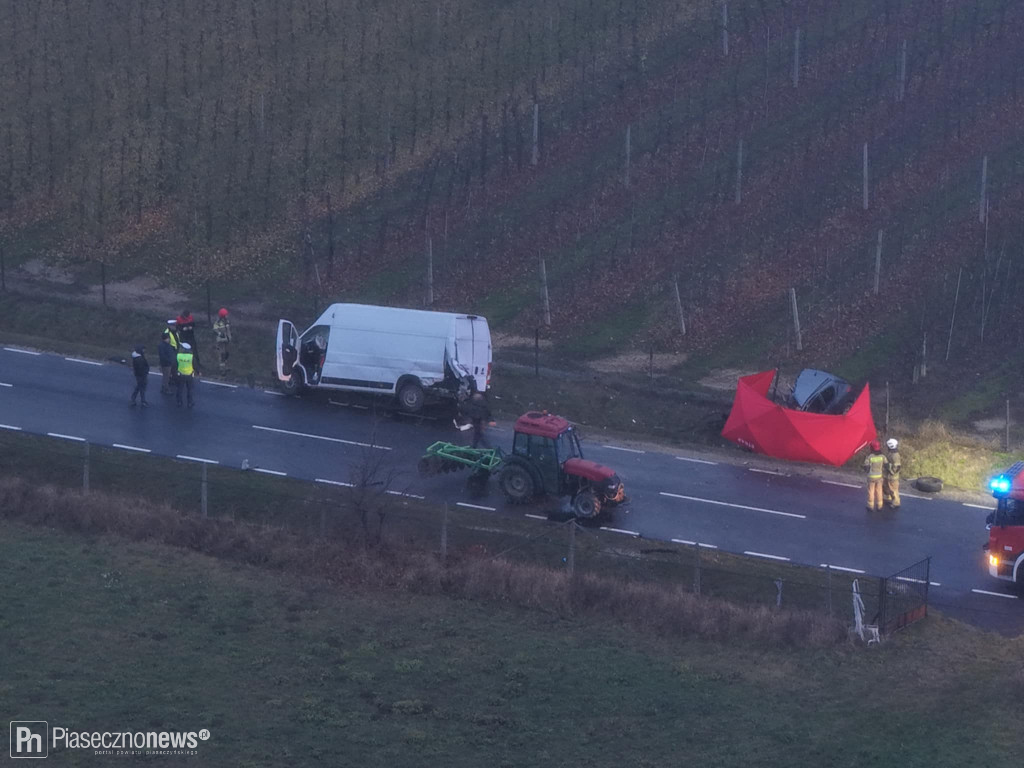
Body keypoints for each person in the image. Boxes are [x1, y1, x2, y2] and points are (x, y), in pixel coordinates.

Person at [461, 384, 492, 449]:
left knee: (478, 434)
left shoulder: (474, 399)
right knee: (478, 433)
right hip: (478, 418)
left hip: (477, 418)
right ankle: (476, 446)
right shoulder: (481, 399)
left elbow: (470, 409)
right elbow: (485, 410)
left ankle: (486, 447)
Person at [863, 440, 885, 512]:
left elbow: (866, 467)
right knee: (879, 491)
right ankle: (880, 506)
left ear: (871, 448)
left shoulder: (869, 457)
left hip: (871, 477)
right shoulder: (882, 456)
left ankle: (870, 506)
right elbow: (887, 464)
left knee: (871, 491)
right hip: (879, 477)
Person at [176, 342, 196, 408]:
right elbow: (195, 365)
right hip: (189, 375)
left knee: (180, 389)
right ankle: (190, 403)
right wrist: (198, 371)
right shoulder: (191, 356)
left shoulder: (178, 355)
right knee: (190, 389)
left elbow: (175, 364)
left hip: (180, 374)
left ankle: (179, 402)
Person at [884, 438, 902, 509]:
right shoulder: (891, 453)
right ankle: (888, 498)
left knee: (893, 490)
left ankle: (896, 502)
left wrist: (889, 467)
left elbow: (897, 467)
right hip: (888, 476)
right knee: (886, 487)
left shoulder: (895, 455)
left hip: (893, 477)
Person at [158, 329, 176, 394]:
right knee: (166, 377)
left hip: (168, 363)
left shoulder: (166, 345)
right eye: (168, 338)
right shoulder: (162, 346)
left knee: (166, 377)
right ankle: (166, 389)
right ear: (165, 339)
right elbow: (163, 356)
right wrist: (169, 361)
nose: (169, 340)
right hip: (166, 364)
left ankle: (164, 388)